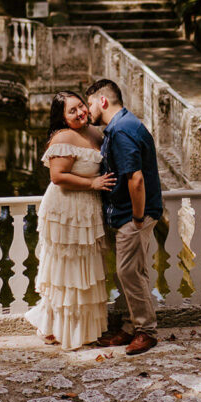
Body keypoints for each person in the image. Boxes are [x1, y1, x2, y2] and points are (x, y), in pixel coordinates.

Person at [25, 91, 116, 350]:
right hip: (66, 209)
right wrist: (93, 182)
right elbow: (57, 176)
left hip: (86, 208)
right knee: (67, 270)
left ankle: (83, 329)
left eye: (80, 107)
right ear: (63, 118)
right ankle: (57, 327)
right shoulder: (63, 137)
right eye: (71, 111)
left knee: (85, 270)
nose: (79, 113)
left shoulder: (95, 133)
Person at [86, 78, 163, 356]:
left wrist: (139, 218)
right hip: (128, 214)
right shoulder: (124, 125)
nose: (88, 110)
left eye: (90, 104)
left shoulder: (121, 131)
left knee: (128, 272)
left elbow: (136, 179)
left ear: (103, 101)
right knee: (133, 273)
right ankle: (131, 326)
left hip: (133, 214)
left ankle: (146, 331)